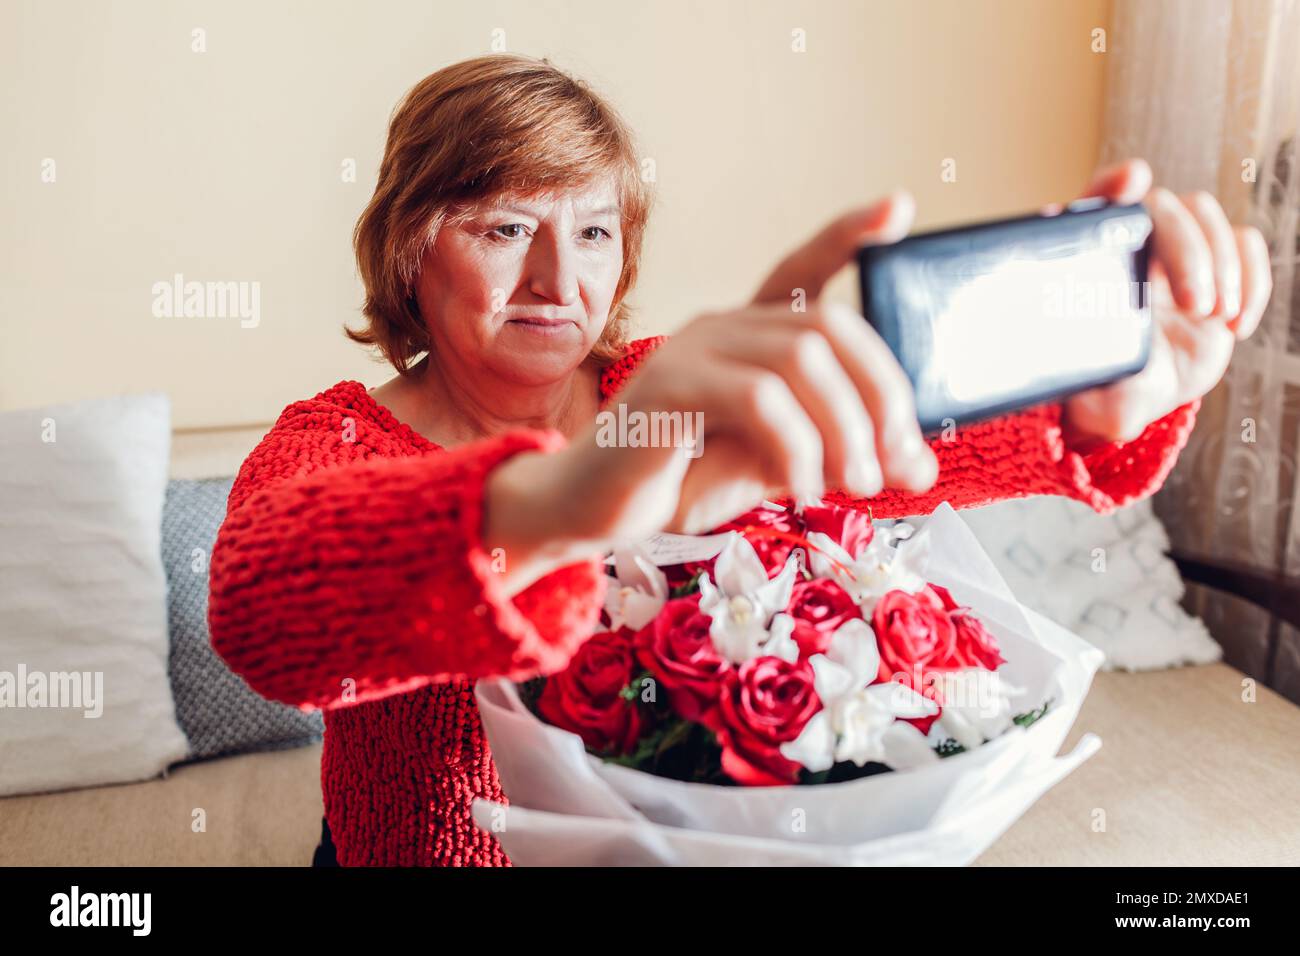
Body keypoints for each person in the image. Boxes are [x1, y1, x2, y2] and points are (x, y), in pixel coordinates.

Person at [207, 54, 1272, 866]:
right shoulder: (337, 438)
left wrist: (1095, 404)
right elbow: (267, 606)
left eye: (591, 232)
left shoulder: (663, 386)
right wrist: (571, 498)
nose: (554, 275)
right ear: (406, 247)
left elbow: (907, 443)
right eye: (501, 227)